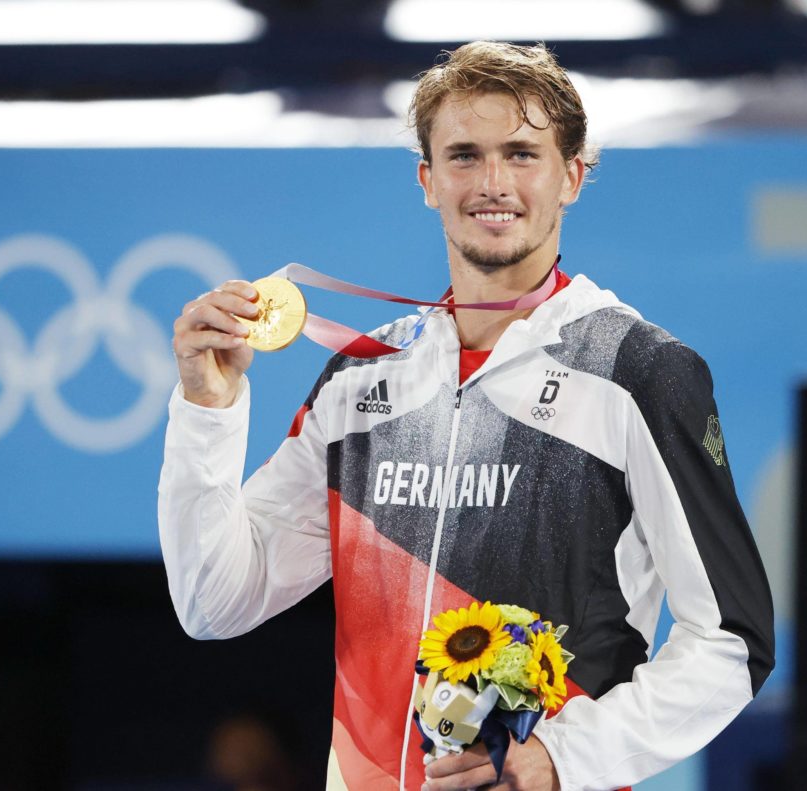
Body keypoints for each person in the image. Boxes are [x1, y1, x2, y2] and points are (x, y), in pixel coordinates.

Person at [159, 41, 774, 791]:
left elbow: (733, 638)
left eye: (521, 154)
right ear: (427, 180)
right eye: (463, 155)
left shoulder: (636, 371)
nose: (492, 183)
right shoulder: (360, 379)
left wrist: (563, 758)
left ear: (572, 176)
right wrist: (207, 409)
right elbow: (214, 599)